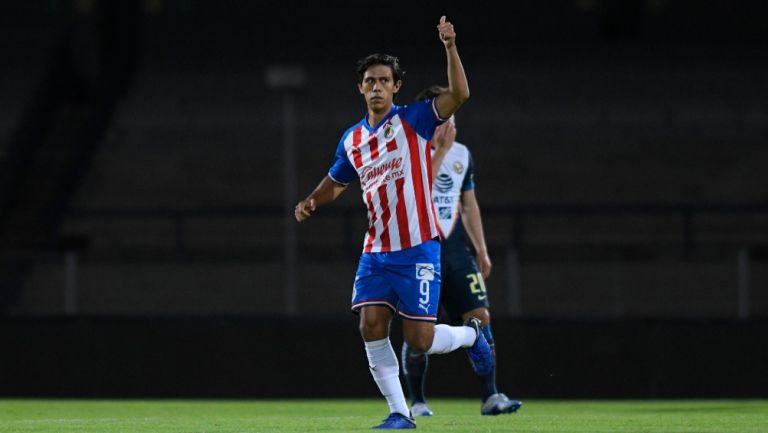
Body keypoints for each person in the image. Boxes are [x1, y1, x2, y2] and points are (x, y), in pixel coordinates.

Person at [295, 16, 492, 430]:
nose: (377, 86)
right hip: (376, 250)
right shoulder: (352, 139)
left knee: (420, 340)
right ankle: (399, 413)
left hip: (419, 245)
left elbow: (460, 93)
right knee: (370, 324)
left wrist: (450, 46)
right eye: (370, 81)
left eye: (384, 80)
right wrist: (313, 200)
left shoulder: (416, 119)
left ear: (396, 87)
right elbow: (337, 181)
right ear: (360, 88)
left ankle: (473, 335)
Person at [401, 86, 523, 417]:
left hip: (454, 252)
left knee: (480, 317)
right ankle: (418, 402)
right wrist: (439, 149)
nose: (450, 125)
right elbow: (414, 192)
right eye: (443, 117)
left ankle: (491, 396)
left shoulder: (463, 154)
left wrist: (481, 249)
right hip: (418, 251)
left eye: (452, 117)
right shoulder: (410, 150)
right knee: (418, 330)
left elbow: (468, 204)